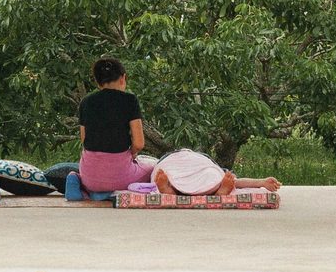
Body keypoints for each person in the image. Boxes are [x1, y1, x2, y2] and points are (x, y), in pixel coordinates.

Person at [76, 57, 151, 194]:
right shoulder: (129, 100)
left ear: (98, 82)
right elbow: (139, 144)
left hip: (89, 178)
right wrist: (132, 153)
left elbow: (84, 139)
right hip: (120, 178)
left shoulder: (85, 102)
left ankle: (76, 180)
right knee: (153, 168)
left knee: (78, 169)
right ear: (123, 78)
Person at [148, 147, 281, 197]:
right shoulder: (202, 159)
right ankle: (216, 191)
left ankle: (171, 189)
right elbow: (238, 183)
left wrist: (262, 182)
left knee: (166, 172)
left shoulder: (171, 157)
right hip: (204, 168)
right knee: (214, 175)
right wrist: (261, 182)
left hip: (171, 163)